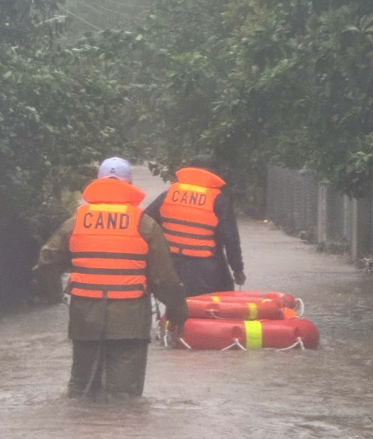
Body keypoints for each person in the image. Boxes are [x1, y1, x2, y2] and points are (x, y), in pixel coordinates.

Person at [32, 158, 188, 399]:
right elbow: (164, 279)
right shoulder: (144, 225)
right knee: (124, 396)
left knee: (81, 392)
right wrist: (178, 312)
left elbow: (46, 263)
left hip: (85, 319)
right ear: (129, 185)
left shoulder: (75, 223)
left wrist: (51, 294)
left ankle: (78, 435)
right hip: (130, 321)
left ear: (97, 183)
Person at [144, 155, 246, 297]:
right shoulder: (217, 199)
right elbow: (230, 238)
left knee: (176, 308)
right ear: (213, 172)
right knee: (213, 303)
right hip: (205, 269)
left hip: (171, 265)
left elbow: (145, 223)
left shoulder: (169, 194)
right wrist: (237, 269)